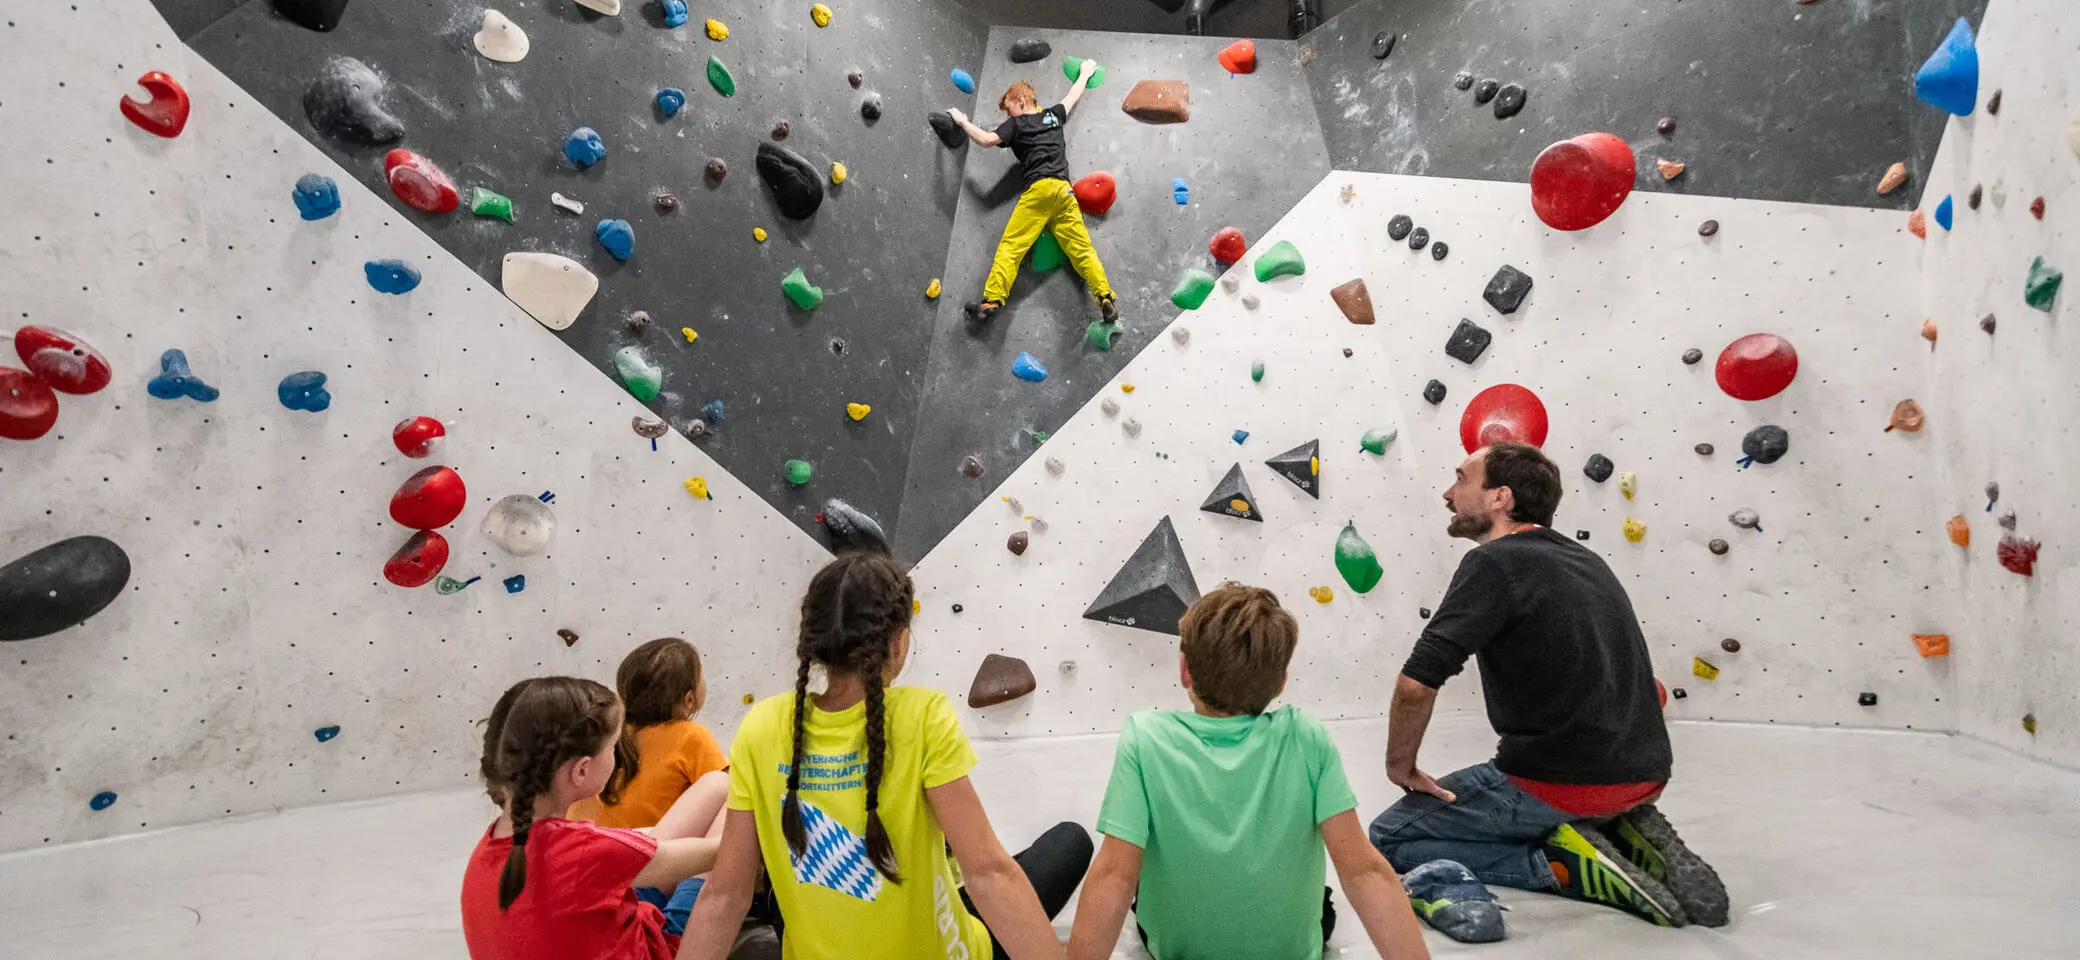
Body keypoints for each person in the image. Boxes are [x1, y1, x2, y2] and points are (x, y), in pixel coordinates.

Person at [1368, 443, 1729, 931]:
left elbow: (1417, 684)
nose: (1448, 493)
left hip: (1556, 781)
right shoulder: (1587, 561)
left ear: (1501, 498)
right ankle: (1614, 828)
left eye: (1461, 479)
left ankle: (1559, 865)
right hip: (1646, 772)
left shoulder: (1493, 563)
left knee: (1389, 837)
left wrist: (1401, 766)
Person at [674, 552, 1092, 960]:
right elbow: (990, 874)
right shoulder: (922, 715)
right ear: (900, 642)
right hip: (951, 946)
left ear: (814, 645)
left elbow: (724, 894)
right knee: (1069, 841)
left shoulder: (761, 726)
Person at [1069, 584, 1433, 960]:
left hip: (1179, 950)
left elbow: (1115, 876)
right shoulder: (1305, 735)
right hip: (1290, 952)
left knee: (1141, 880)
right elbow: (1364, 873)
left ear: (1185, 670)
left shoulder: (1145, 739)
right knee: (1323, 902)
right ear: (1280, 684)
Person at [462, 676, 730, 960]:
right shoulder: (586, 854)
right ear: (581, 771)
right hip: (660, 949)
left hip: (601, 923)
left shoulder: (491, 848)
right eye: (613, 748)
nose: (617, 755)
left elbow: (610, 853)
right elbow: (722, 852)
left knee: (716, 783)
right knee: (734, 801)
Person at [568, 638, 731, 935]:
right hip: (652, 874)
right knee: (732, 796)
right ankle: (680, 924)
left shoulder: (609, 739)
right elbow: (727, 800)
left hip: (596, 877)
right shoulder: (690, 736)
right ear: (689, 699)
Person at [947, 63, 1118, 328]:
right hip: (1064, 192)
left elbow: (986, 140)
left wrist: (963, 122)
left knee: (1011, 248)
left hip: (1038, 191)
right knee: (1082, 250)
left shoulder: (1016, 124)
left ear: (1022, 100)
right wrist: (1085, 72)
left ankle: (992, 301)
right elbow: (1072, 96)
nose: (1008, 115)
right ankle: (1105, 296)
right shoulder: (1053, 115)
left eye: (1009, 108)